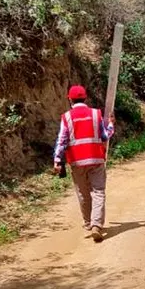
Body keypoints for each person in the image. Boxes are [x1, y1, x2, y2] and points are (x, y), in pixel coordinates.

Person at [53, 85, 114, 242]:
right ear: (85, 98)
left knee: (83, 193)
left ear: (70, 100)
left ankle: (88, 222)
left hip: (77, 162)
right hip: (96, 159)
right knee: (98, 191)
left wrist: (57, 160)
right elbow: (105, 136)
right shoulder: (95, 114)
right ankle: (96, 225)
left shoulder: (66, 117)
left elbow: (62, 140)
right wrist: (111, 125)